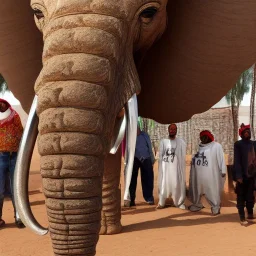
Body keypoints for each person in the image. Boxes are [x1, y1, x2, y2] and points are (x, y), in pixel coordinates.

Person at [188, 130, 226, 216]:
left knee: (212, 190)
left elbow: (221, 159)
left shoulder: (216, 146)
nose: (204, 138)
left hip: (211, 175)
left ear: (210, 137)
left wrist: (223, 170)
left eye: (206, 136)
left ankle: (215, 207)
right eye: (202, 137)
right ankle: (197, 204)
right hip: (198, 175)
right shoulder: (197, 147)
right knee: (196, 190)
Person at [0, 98, 25, 228]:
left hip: (14, 156)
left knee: (16, 187)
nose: (1, 105)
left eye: (3, 103)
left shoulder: (14, 115)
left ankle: (19, 218)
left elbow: (21, 132)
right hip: (0, 156)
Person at [157, 124, 186, 209]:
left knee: (176, 184)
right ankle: (161, 203)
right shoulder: (163, 141)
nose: (172, 130)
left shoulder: (181, 142)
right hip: (165, 169)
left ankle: (178, 202)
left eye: (174, 129)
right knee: (163, 184)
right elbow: (161, 156)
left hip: (175, 169)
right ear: (168, 130)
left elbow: (182, 156)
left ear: (176, 130)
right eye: (171, 129)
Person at [233, 124, 256, 226]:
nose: (247, 133)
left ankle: (250, 213)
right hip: (242, 176)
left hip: (252, 175)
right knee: (241, 197)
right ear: (241, 134)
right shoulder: (238, 144)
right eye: (245, 132)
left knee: (250, 197)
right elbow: (237, 161)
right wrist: (238, 176)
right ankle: (242, 217)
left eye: (248, 131)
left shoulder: (254, 144)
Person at [129, 125, 155, 206]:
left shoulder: (145, 135)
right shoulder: (129, 136)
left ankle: (149, 198)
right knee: (131, 179)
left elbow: (150, 147)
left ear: (139, 128)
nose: (136, 130)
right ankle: (131, 200)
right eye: (134, 128)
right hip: (134, 159)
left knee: (148, 178)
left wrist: (152, 159)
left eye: (137, 128)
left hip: (146, 158)